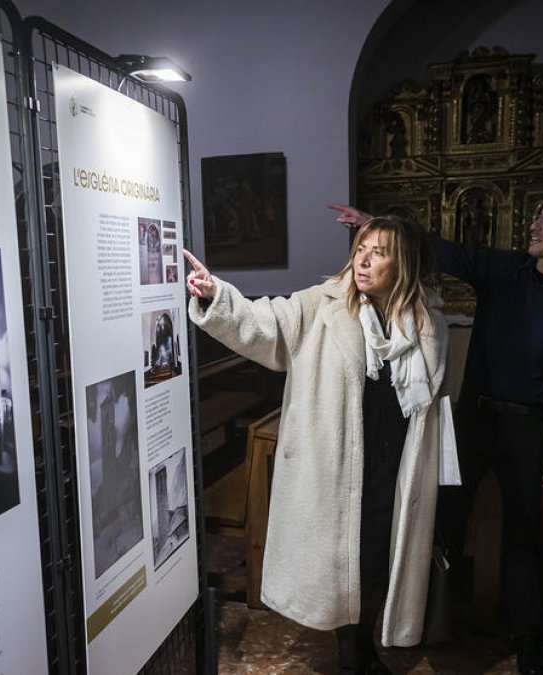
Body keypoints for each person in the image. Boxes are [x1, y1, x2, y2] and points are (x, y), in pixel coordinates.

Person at [332, 191, 543, 675]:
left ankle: (526, 636)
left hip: (524, 422)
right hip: (470, 419)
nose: (535, 225)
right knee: (444, 520)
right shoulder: (504, 269)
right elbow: (439, 248)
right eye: (537, 214)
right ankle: (438, 621)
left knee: (524, 531)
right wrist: (377, 224)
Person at [184, 215, 453, 673]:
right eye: (361, 249)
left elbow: (435, 403)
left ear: (403, 264)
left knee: (379, 561)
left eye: (379, 252)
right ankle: (351, 654)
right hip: (342, 464)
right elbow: (263, 321)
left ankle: (367, 644)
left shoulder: (428, 323)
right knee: (344, 565)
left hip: (398, 466)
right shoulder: (322, 306)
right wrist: (217, 296)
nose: (363, 260)